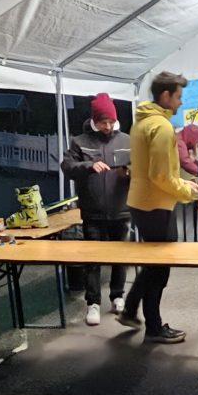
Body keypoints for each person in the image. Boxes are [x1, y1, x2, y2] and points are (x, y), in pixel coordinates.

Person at [118, 72, 198, 343]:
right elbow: (161, 176)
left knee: (154, 264)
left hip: (143, 203)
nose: (180, 103)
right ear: (165, 96)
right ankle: (153, 328)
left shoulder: (141, 122)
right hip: (156, 205)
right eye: (178, 97)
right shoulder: (162, 127)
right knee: (159, 268)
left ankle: (130, 310)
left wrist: (180, 184)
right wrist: (187, 191)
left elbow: (151, 172)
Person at [62, 93, 132, 327]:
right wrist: (88, 166)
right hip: (93, 211)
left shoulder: (126, 140)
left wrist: (131, 172)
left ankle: (118, 296)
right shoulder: (79, 141)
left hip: (121, 209)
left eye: (111, 121)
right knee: (93, 259)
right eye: (103, 122)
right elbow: (67, 167)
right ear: (94, 120)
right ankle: (93, 303)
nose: (108, 126)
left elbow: (139, 167)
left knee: (120, 257)